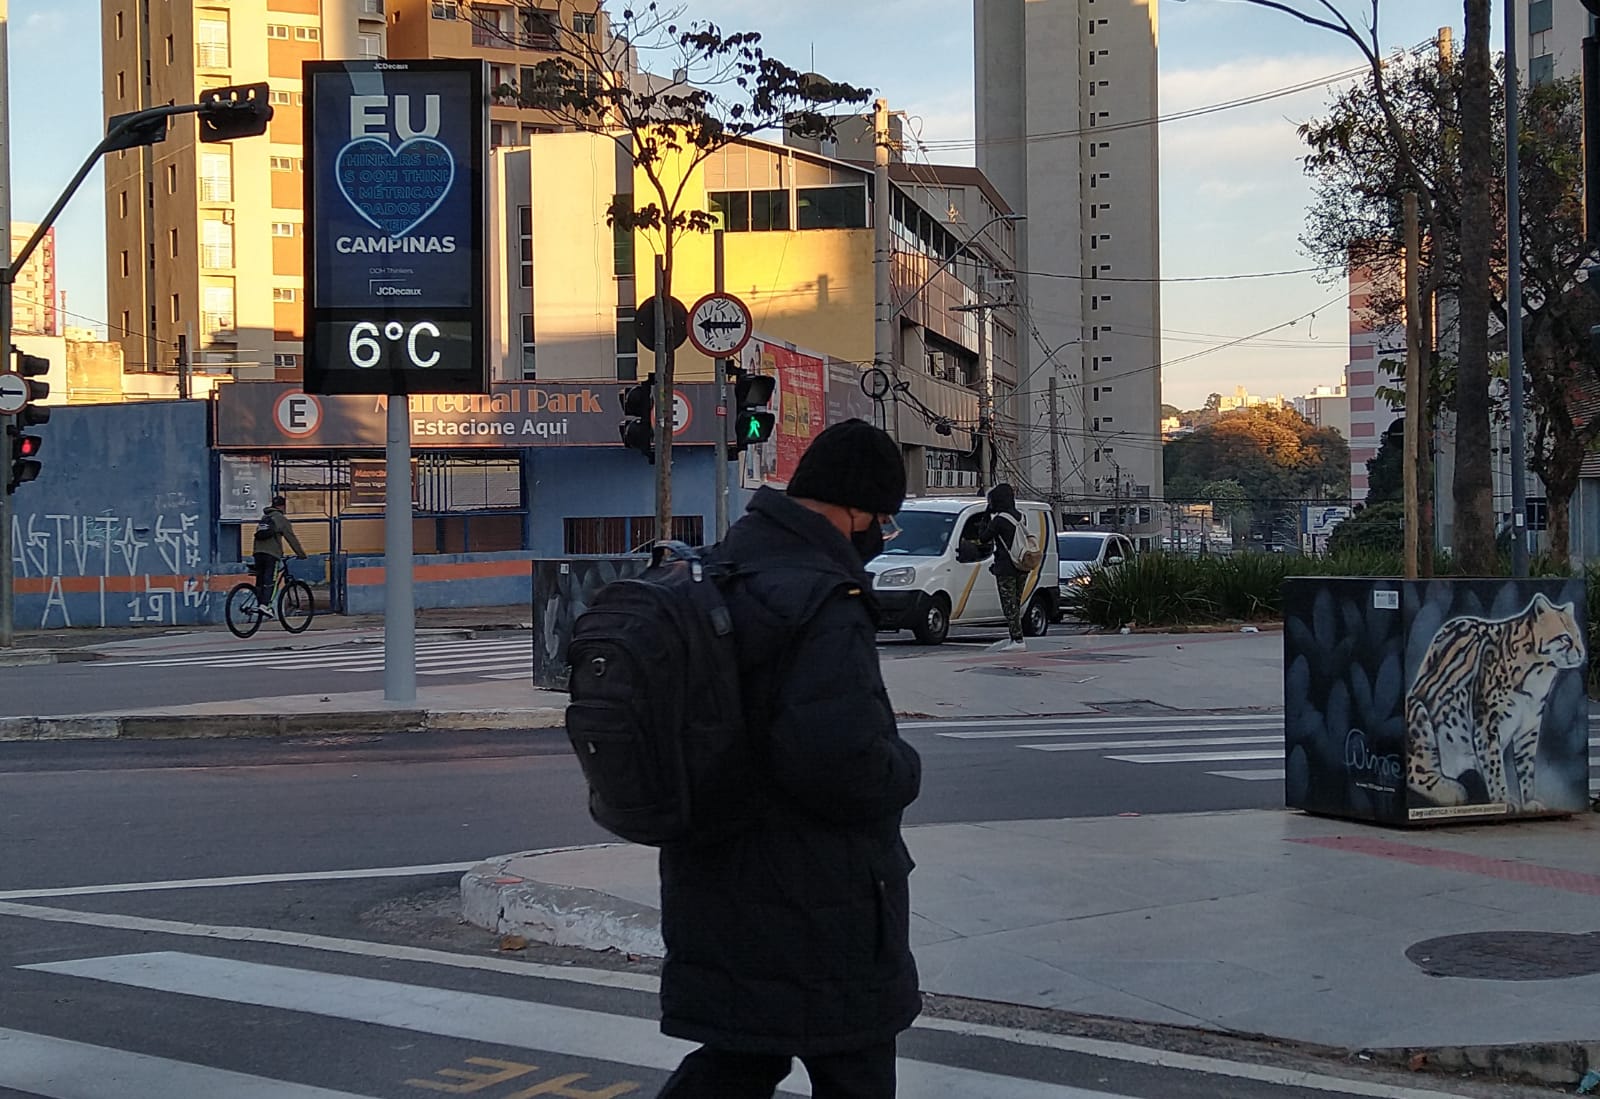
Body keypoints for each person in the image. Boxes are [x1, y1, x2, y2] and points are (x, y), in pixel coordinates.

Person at [656, 419, 923, 1099]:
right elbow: (841, 761)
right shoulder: (824, 598)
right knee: (853, 1066)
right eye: (881, 521)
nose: (877, 535)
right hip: (819, 902)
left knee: (739, 1055)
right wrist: (905, 767)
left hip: (715, 879)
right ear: (856, 509)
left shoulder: (718, 569)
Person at [983, 482, 1027, 653]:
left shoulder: (999, 520)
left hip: (1006, 566)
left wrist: (986, 515)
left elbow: (984, 537)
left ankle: (1017, 639)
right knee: (1016, 601)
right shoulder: (1021, 516)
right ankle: (1014, 637)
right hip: (1022, 563)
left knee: (1008, 604)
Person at [251, 495, 306, 618]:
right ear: (282, 506)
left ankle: (259, 604)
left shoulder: (265, 518)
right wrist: (301, 554)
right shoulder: (280, 518)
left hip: (257, 553)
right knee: (271, 581)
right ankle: (266, 606)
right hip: (271, 554)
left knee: (260, 581)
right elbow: (290, 537)